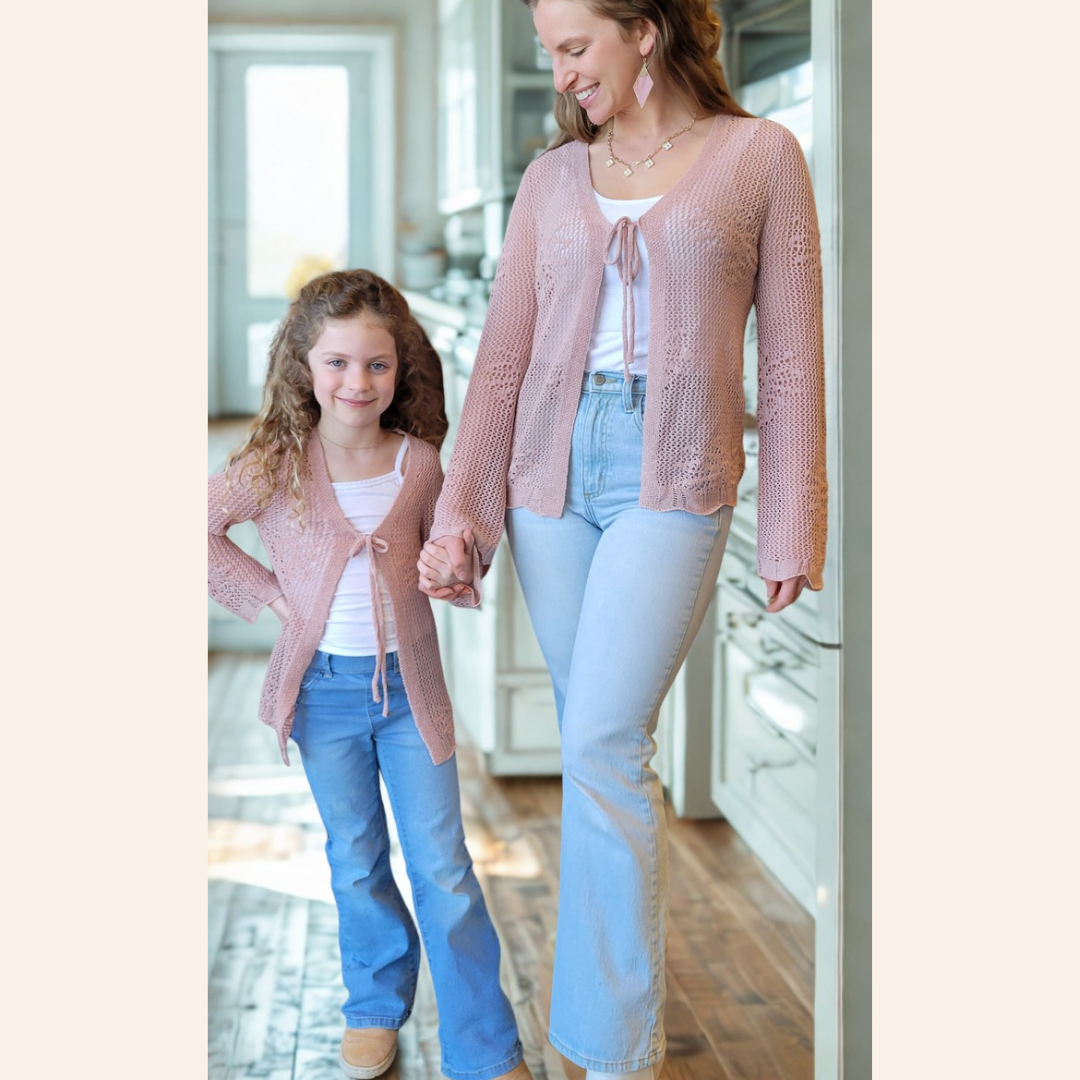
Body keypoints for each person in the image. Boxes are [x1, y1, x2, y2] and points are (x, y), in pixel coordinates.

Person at [417, 2, 826, 1078]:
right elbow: (502, 358)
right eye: (549, 53)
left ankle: (614, 1054)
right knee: (590, 737)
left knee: (602, 741)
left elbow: (788, 359)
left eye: (573, 47)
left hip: (677, 468)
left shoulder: (760, 157)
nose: (559, 74)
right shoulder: (552, 180)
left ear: (643, 29)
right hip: (552, 469)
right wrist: (463, 511)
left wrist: (794, 513)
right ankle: (613, 1036)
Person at [208, 269, 532, 1080]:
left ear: (403, 369)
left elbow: (460, 568)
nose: (358, 382)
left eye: (377, 365)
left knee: (445, 869)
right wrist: (271, 596)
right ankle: (374, 1007)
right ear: (305, 370)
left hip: (410, 697)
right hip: (321, 695)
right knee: (355, 857)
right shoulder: (278, 465)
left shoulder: (422, 466)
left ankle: (484, 1049)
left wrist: (450, 568)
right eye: (339, 364)